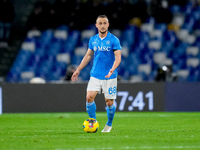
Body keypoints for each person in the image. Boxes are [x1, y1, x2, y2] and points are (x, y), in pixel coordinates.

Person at [71, 15, 122, 132]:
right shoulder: (93, 39)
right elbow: (88, 55)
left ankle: (108, 124)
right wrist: (78, 69)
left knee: (109, 102)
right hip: (95, 75)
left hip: (110, 76)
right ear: (96, 25)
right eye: (100, 23)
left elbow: (118, 57)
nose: (102, 25)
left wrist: (112, 69)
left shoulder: (114, 40)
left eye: (105, 23)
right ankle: (93, 122)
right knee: (89, 97)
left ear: (108, 25)